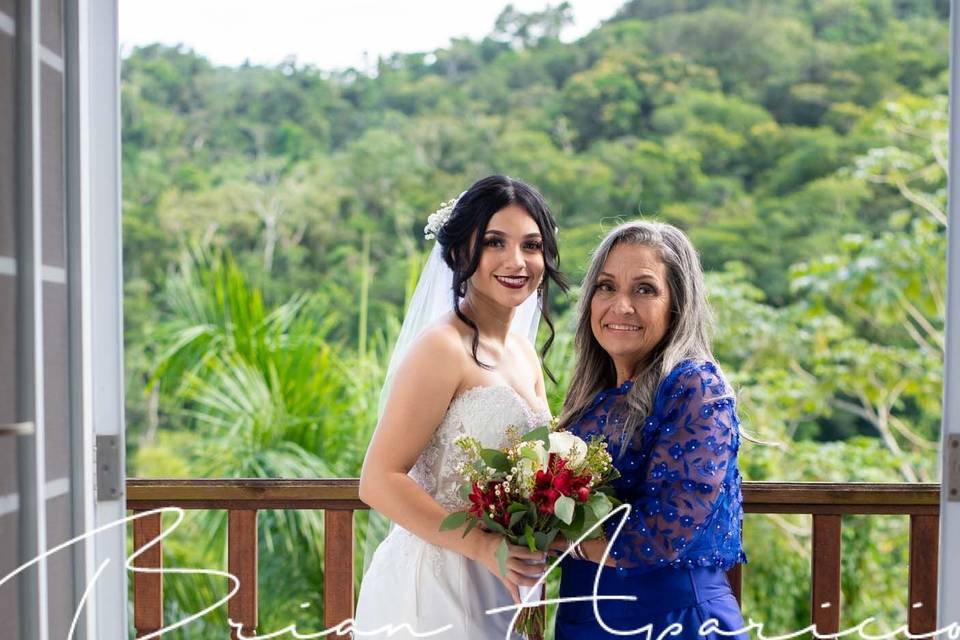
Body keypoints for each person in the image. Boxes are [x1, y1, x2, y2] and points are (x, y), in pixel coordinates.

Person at [353, 175, 568, 639]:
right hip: (435, 582)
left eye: (531, 246)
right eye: (495, 242)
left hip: (498, 580)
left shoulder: (523, 351)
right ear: (459, 254)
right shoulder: (442, 349)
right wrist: (483, 548)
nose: (517, 261)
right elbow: (378, 480)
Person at [551, 220, 749, 640]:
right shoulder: (591, 401)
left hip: (672, 622)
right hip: (583, 622)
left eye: (644, 289)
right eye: (606, 287)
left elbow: (661, 532)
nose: (621, 305)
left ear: (677, 304)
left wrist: (559, 540)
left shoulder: (696, 387)